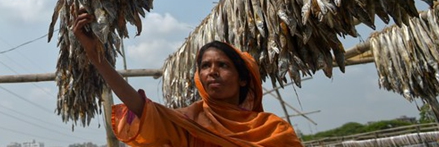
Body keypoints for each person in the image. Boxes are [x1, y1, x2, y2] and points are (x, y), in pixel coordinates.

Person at [72, 11, 303, 147]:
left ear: (243, 79)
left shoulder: (273, 130)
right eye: (205, 66)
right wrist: (96, 57)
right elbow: (143, 109)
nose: (212, 71)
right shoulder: (188, 124)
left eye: (223, 65)